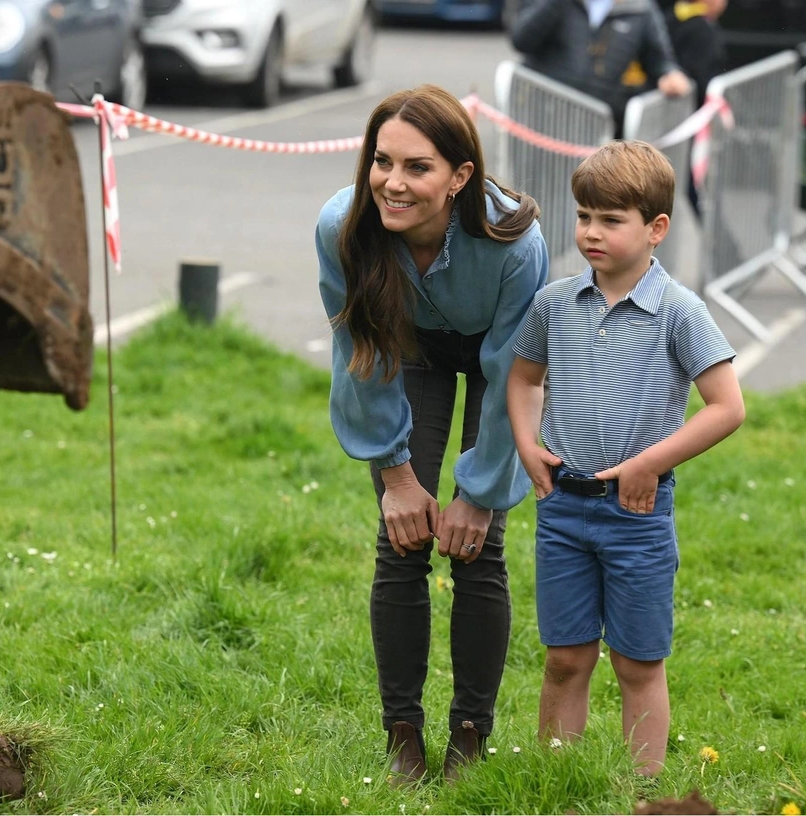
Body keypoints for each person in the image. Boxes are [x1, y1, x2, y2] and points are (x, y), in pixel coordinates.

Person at [315, 84, 549, 785]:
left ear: (460, 177)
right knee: (402, 536)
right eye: (382, 162)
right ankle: (403, 739)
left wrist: (480, 494)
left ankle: (470, 740)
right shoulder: (342, 227)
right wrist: (396, 475)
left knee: (480, 546)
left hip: (494, 358)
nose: (393, 182)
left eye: (417, 167)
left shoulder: (514, 242)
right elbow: (360, 354)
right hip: (405, 348)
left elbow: (517, 375)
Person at [506, 140, 745, 775]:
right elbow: (525, 379)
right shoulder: (554, 304)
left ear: (656, 228)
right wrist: (528, 445)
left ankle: (644, 791)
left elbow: (727, 406)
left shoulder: (678, 312)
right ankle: (559, 781)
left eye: (611, 220)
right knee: (565, 657)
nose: (591, 232)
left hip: (637, 515)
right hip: (563, 511)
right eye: (584, 216)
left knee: (637, 662)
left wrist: (648, 463)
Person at [510, 0, 692, 136]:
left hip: (598, 126)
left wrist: (669, 74)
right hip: (541, 119)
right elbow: (521, 40)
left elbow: (659, 60)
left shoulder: (640, 8)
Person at [658, 0, 729, 216]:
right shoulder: (700, 29)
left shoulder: (672, 16)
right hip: (690, 125)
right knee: (695, 190)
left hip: (672, 121)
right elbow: (703, 77)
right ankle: (721, 246)